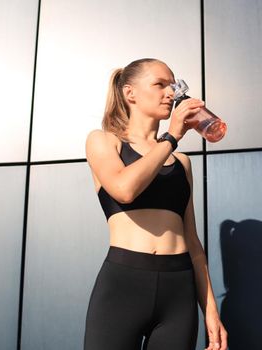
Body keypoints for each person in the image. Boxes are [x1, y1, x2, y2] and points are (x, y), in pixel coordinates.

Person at [83, 58, 228, 350]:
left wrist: (211, 311)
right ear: (130, 93)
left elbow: (194, 244)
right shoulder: (103, 141)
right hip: (123, 284)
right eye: (159, 85)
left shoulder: (181, 163)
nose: (171, 94)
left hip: (179, 291)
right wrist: (171, 136)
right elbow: (124, 190)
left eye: (172, 86)